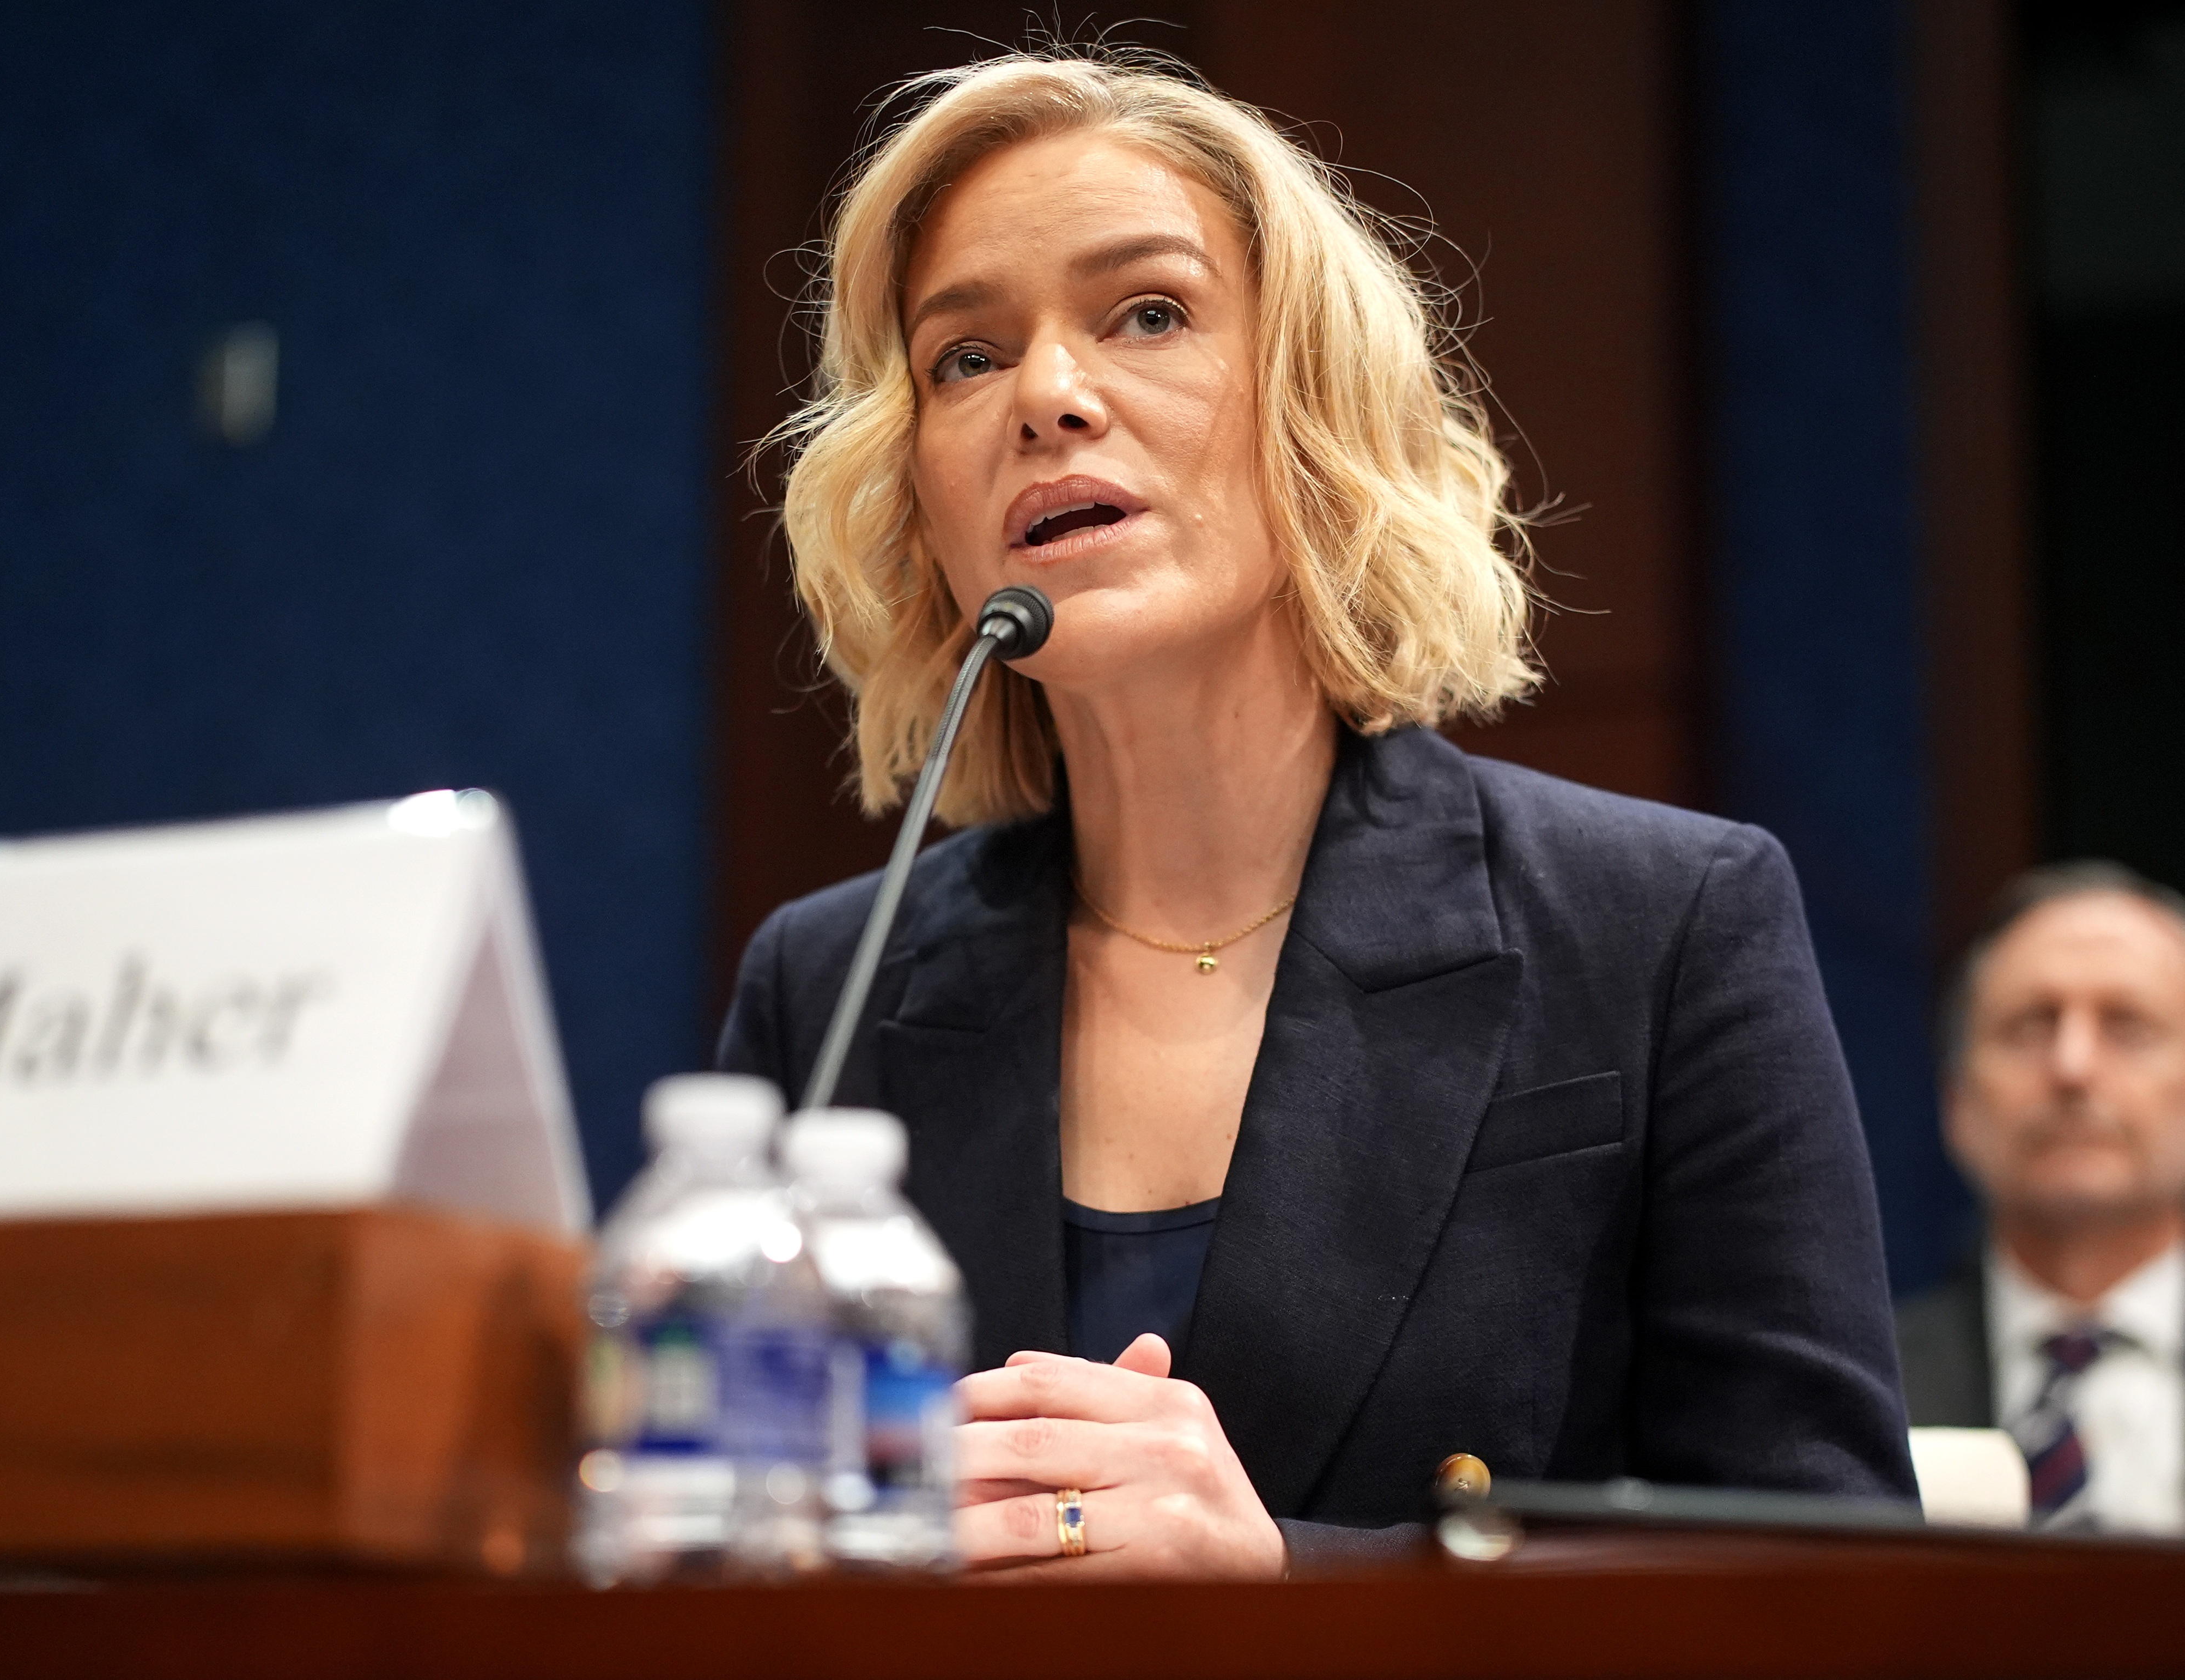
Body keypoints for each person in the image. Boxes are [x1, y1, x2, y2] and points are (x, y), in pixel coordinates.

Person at [718, 50, 1914, 1577]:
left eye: (1145, 313)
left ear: (1307, 403)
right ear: (918, 497)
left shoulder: (1658, 926)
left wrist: (1292, 1586)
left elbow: (1833, 1580)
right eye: (963, 356)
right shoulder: (826, 993)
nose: (1047, 397)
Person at [1896, 862, 2185, 1534]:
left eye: (2127, 1026)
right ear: (1957, 1101)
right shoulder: (1859, 1398)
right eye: (2029, 1026)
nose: (2071, 1067)